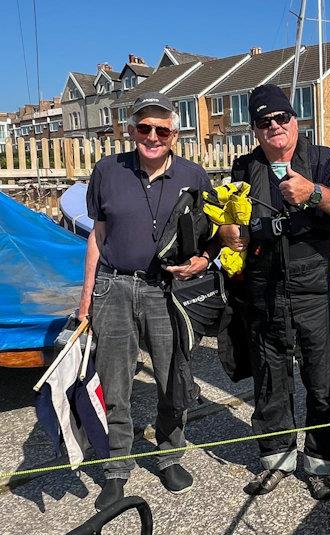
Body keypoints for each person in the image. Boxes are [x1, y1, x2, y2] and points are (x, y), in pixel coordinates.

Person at [219, 84, 330, 501]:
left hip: (310, 288)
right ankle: (276, 459)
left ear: (295, 120)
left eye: (282, 118)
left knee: (321, 380)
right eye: (265, 122)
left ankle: (322, 464)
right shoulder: (244, 167)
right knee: (270, 379)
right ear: (255, 129)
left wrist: (314, 193)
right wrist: (229, 233)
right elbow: (231, 222)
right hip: (263, 289)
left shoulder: (320, 159)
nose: (275, 128)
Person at [77, 92, 213, 511]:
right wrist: (86, 302)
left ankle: (170, 454)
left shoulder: (194, 175)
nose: (152, 136)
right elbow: (97, 237)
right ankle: (117, 468)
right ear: (131, 130)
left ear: (175, 133)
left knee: (174, 377)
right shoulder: (107, 170)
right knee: (115, 382)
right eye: (144, 128)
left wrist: (202, 261)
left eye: (161, 129)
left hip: (166, 292)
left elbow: (211, 236)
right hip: (114, 288)